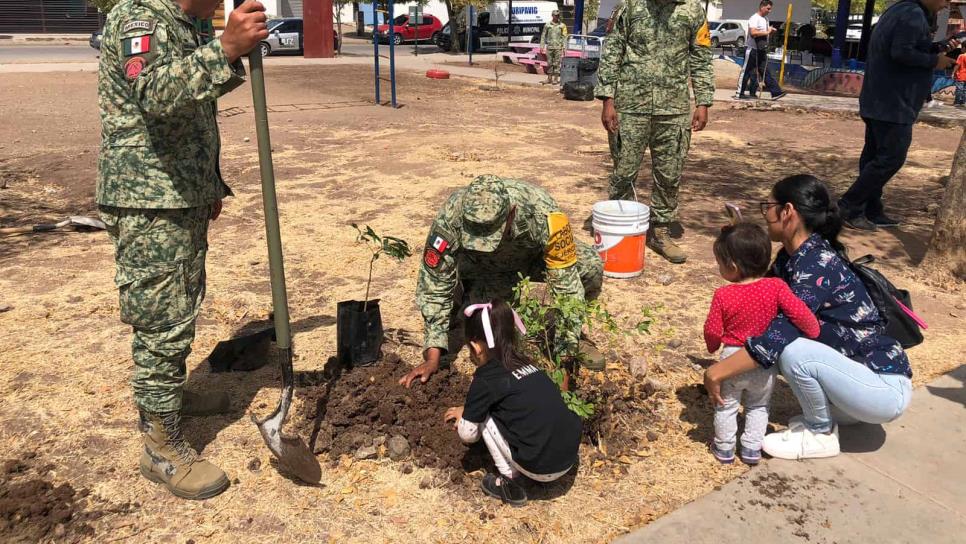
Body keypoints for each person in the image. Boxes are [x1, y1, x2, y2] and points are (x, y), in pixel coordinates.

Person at [97, 0, 268, 500]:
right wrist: (227, 49)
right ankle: (160, 447)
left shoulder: (184, 23)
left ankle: (168, 397)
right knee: (162, 319)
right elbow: (153, 93)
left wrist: (205, 183)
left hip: (177, 191)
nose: (221, 2)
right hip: (148, 200)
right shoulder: (140, 19)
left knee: (182, 304)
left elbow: (189, 112)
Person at [703, 175, 913, 460]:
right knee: (787, 344)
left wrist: (717, 371)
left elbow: (777, 336)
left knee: (790, 347)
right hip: (850, 386)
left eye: (769, 206)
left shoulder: (814, 265)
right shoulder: (792, 258)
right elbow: (755, 296)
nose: (765, 214)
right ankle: (826, 417)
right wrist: (736, 243)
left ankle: (820, 433)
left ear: (787, 211)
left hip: (881, 390)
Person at [400, 175, 604, 388]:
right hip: (484, 268)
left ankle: (570, 336)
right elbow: (434, 282)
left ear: (512, 213)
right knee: (490, 340)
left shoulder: (543, 211)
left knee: (590, 267)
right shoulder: (452, 214)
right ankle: (465, 299)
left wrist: (564, 365)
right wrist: (432, 357)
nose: (484, 242)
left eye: (492, 236)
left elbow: (567, 287)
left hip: (532, 259)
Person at [596, 0, 715, 264]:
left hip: (674, 108)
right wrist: (607, 99)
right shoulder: (630, 6)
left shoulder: (693, 10)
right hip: (630, 105)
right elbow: (613, 51)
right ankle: (620, 227)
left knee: (670, 173)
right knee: (624, 171)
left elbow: (701, 58)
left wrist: (703, 102)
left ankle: (660, 231)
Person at [444, 300, 582, 507]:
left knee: (485, 415)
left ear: (475, 346)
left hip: (542, 468)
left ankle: (510, 481)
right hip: (568, 457)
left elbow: (468, 434)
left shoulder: (486, 379)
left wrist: (468, 416)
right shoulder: (528, 364)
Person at [703, 222, 820, 465]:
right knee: (758, 406)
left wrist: (712, 345)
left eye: (720, 263)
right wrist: (813, 330)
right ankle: (751, 449)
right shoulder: (776, 286)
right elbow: (801, 315)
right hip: (765, 361)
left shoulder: (723, 295)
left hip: (733, 360)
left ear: (732, 267)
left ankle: (724, 448)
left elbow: (713, 330)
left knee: (726, 407)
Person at [837, 0, 959, 231]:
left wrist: (938, 47)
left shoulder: (899, 10)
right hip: (893, 103)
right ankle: (848, 206)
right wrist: (935, 61)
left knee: (874, 156)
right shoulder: (913, 14)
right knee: (891, 158)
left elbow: (907, 48)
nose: (946, 5)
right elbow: (901, 52)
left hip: (879, 99)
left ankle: (870, 208)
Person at [738, 0, 786, 100]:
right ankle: (740, 93)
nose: (770, 10)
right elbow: (753, 33)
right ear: (762, 7)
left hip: (761, 49)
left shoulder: (766, 19)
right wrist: (767, 31)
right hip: (752, 50)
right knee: (746, 71)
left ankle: (776, 92)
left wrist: (770, 31)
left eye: (770, 8)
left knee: (766, 71)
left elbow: (765, 32)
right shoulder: (754, 18)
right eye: (768, 8)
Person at [539, 10, 568, 85]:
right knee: (549, 63)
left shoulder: (562, 25)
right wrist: (542, 46)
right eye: (555, 15)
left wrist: (564, 47)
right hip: (550, 47)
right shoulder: (547, 25)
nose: (556, 17)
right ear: (552, 15)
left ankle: (555, 79)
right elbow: (543, 36)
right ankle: (549, 78)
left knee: (557, 63)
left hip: (558, 48)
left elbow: (565, 37)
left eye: (558, 15)